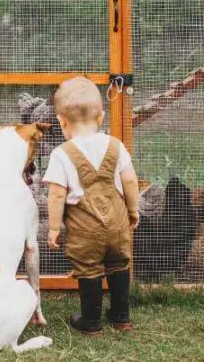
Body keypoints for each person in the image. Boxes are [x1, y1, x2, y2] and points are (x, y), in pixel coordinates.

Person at [44, 76, 140, 334]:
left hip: (84, 229)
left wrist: (54, 228)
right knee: (119, 264)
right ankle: (121, 317)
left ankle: (91, 320)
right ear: (101, 118)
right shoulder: (116, 145)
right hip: (118, 224)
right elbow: (130, 181)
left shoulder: (61, 153)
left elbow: (55, 195)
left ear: (61, 121)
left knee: (89, 269)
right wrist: (132, 210)